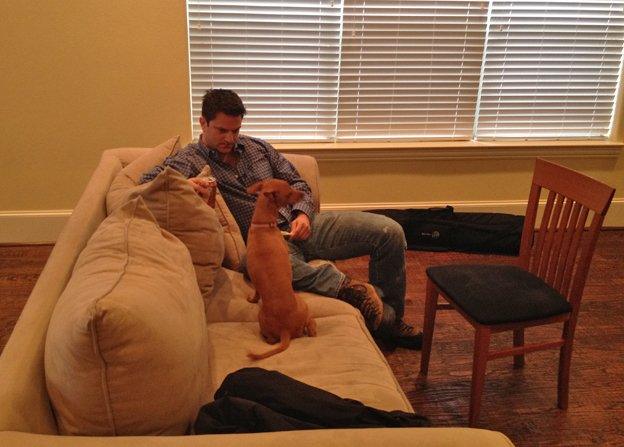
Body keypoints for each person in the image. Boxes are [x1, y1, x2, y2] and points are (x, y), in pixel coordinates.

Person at [140, 89, 422, 349]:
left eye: (235, 130)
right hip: (262, 244)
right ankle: (355, 295)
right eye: (222, 130)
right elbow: (146, 183)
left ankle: (391, 322)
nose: (229, 138)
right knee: (258, 264)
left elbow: (298, 182)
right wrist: (186, 184)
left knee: (389, 230)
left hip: (302, 225)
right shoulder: (189, 158)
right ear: (203, 123)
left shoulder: (258, 148)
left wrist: (302, 214)